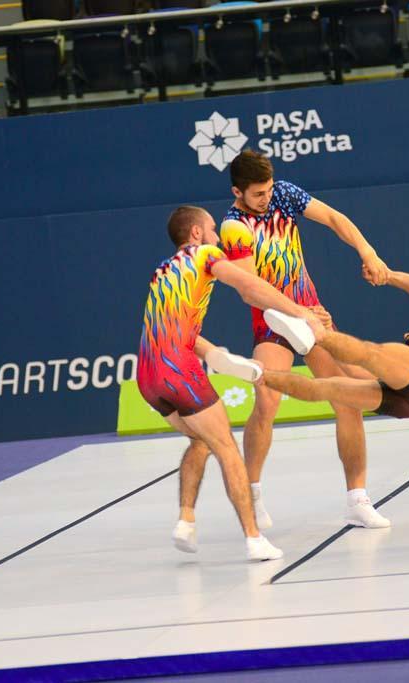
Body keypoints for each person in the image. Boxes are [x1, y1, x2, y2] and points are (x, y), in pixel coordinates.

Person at [138, 205, 323, 561]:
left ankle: (186, 520)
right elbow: (248, 285)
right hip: (178, 367)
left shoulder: (163, 271)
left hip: (148, 373)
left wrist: (229, 362)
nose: (217, 236)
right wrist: (300, 311)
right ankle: (254, 538)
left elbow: (186, 335)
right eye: (211, 228)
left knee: (199, 439)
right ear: (195, 234)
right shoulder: (206, 254)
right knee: (226, 448)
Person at [218, 150, 392, 529]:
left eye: (267, 190)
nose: (266, 198)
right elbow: (251, 290)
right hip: (273, 321)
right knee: (266, 401)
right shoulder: (233, 226)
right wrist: (299, 314)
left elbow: (333, 218)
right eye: (258, 194)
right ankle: (251, 494)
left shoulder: (284, 193)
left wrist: (368, 252)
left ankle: (357, 499)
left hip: (310, 314)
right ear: (238, 192)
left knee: (347, 398)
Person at [232, 267, 409, 424]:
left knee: (370, 353)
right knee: (325, 389)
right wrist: (386, 275)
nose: (408, 332)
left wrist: (388, 275)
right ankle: (261, 375)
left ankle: (315, 331)